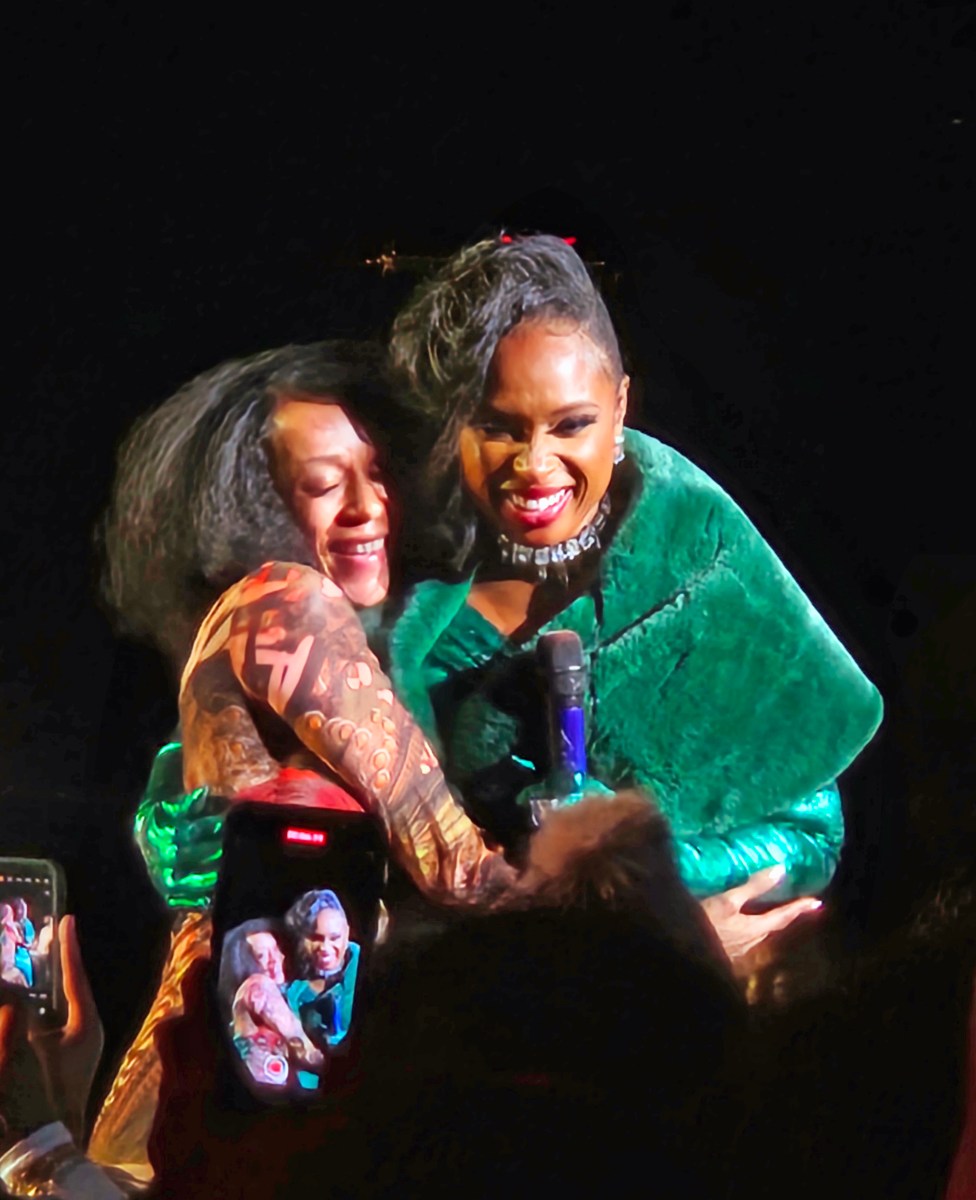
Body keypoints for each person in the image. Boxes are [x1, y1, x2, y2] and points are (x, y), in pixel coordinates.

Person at [385, 233, 884, 957]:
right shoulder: (394, 597)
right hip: (469, 1024)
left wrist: (643, 878)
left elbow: (810, 835)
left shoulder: (703, 560)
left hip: (677, 1029)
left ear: (619, 408)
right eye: (497, 428)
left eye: (571, 424)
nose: (534, 465)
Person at [91, 340, 515, 1175]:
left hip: (220, 1092)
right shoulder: (288, 599)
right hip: (228, 1104)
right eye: (325, 484)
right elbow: (450, 860)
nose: (368, 506)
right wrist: (643, 918)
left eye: (378, 471)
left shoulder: (283, 628)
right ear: (260, 506)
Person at [283, 889, 359, 1049]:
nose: (325, 948)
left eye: (334, 938)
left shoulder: (362, 963)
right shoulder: (295, 993)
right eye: (315, 938)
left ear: (347, 934)